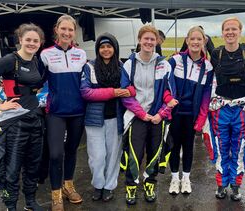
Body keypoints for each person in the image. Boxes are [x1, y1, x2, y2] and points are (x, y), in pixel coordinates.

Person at [0, 23, 45, 211]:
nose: (31, 43)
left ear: (40, 43)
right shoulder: (9, 60)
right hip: (15, 123)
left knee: (32, 165)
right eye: (28, 39)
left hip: (35, 119)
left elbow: (35, 87)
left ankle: (30, 202)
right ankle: (11, 205)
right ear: (20, 40)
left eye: (35, 41)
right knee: (11, 168)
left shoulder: (37, 61)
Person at [121, 25, 173, 205]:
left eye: (153, 39)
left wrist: (161, 114)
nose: (149, 42)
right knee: (134, 154)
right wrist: (142, 114)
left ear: (157, 41)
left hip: (157, 116)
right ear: (139, 40)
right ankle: (131, 187)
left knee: (154, 153)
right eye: (146, 39)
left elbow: (169, 93)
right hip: (136, 116)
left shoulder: (164, 64)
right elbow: (125, 95)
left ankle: (150, 183)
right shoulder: (129, 64)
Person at [80, 33, 135, 202]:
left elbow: (133, 87)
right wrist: (113, 92)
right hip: (94, 120)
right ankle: (98, 185)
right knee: (97, 156)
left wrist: (130, 91)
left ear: (115, 48)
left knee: (113, 156)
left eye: (109, 46)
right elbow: (85, 92)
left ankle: (109, 187)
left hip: (115, 118)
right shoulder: (89, 67)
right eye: (102, 47)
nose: (106, 50)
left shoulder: (122, 67)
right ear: (98, 49)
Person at [40, 14, 86, 211]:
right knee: (56, 154)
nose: (67, 33)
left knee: (71, 151)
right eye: (63, 29)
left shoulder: (81, 54)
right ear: (56, 30)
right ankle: (56, 194)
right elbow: (36, 82)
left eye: (71, 29)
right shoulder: (46, 54)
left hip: (77, 111)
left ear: (74, 33)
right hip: (56, 112)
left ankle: (69, 185)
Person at [206, 17, 245, 201]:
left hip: (242, 111)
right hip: (221, 110)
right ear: (222, 33)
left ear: (240, 32)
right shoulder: (217, 53)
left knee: (239, 148)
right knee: (221, 147)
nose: (230, 32)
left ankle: (235, 185)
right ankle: (221, 184)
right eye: (227, 29)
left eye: (234, 29)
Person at [167, 26, 213, 195]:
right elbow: (164, 84)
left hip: (191, 116)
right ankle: (174, 178)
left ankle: (186, 178)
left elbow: (206, 96)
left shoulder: (207, 67)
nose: (195, 42)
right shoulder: (175, 60)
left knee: (188, 147)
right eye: (192, 39)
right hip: (174, 114)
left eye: (199, 39)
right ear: (186, 41)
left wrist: (201, 120)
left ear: (204, 42)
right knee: (173, 146)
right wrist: (167, 104)